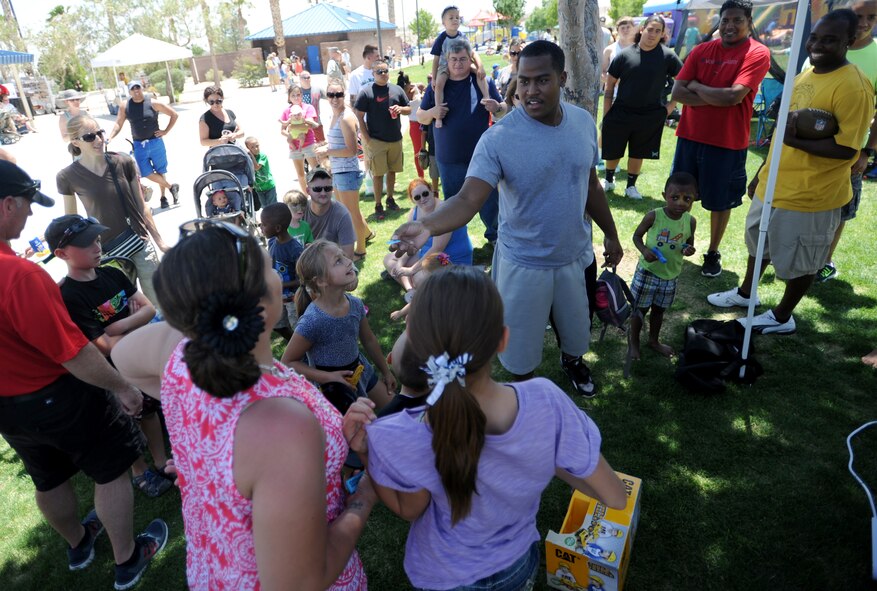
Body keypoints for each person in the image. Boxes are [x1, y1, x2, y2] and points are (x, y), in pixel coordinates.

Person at [110, 221, 375, 590]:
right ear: (260, 300)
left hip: (215, 572)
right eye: (269, 264)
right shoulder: (282, 425)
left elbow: (121, 356)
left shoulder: (178, 353)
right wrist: (363, 497)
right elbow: (298, 582)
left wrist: (205, 467)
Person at [346, 265, 627, 591]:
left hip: (444, 574)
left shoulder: (404, 431)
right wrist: (547, 457)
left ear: (417, 349)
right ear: (503, 339)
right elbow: (614, 497)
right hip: (516, 567)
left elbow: (409, 510)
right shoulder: (546, 402)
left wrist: (367, 452)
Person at [395, 41, 623, 394]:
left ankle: (573, 362)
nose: (531, 91)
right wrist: (427, 224)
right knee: (519, 351)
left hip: (574, 256)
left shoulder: (582, 122)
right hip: (523, 263)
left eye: (542, 80)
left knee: (577, 330)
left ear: (562, 78)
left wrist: (610, 233)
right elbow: (469, 197)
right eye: (524, 81)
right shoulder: (498, 139)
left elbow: (590, 184)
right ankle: (523, 392)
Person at [0, 161, 168, 590]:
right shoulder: (22, 276)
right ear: (6, 205)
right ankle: (129, 558)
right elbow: (72, 351)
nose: (29, 215)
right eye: (25, 205)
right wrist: (123, 389)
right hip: (57, 396)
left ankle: (79, 544)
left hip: (9, 410)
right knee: (111, 470)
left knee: (47, 477)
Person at [706, 9, 874, 334]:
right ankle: (746, 294)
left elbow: (847, 149)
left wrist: (795, 139)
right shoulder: (806, 74)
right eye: (815, 36)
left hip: (811, 194)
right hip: (775, 183)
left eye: (830, 39)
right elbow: (782, 131)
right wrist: (762, 172)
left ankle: (783, 316)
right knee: (759, 244)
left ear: (850, 42)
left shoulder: (854, 86)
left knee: (802, 262)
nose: (818, 44)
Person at [46, 214, 174, 498]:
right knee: (126, 421)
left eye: (97, 238)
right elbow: (103, 346)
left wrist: (118, 326)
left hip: (139, 357)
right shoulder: (68, 295)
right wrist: (132, 322)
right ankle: (140, 472)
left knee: (149, 409)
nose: (96, 245)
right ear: (61, 254)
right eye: (86, 243)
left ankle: (160, 460)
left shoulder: (113, 273)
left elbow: (149, 309)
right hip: (111, 372)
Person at [670, 0, 770, 278]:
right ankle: (676, 244)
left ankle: (712, 251)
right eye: (725, 20)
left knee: (720, 201)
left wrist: (698, 87)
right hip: (689, 137)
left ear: (749, 23)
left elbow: (733, 96)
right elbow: (677, 92)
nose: (730, 25)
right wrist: (718, 95)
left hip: (727, 142)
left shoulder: (758, 53)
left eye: (737, 20)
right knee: (680, 195)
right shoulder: (702, 50)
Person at [58, 115, 170, 306]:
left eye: (100, 133)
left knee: (161, 305)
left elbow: (142, 206)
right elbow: (72, 221)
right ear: (75, 142)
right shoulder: (66, 176)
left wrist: (160, 242)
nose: (99, 140)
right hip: (107, 255)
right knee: (116, 311)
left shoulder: (123, 161)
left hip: (140, 243)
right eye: (89, 137)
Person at [280, 239, 396, 411]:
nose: (349, 261)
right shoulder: (313, 320)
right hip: (332, 388)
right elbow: (288, 362)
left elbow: (369, 340)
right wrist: (328, 377)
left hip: (359, 371)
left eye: (343, 256)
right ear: (320, 281)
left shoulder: (355, 304)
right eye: (338, 261)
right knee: (356, 431)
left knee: (395, 408)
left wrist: (385, 371)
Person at [418, 37, 505, 245]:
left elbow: (504, 110)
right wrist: (432, 111)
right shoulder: (436, 86)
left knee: (490, 202)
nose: (458, 63)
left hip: (482, 157)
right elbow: (420, 116)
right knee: (453, 206)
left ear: (471, 60)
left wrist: (497, 108)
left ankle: (497, 239)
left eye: (463, 59)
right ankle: (456, 244)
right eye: (454, 59)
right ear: (447, 60)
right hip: (449, 159)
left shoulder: (483, 81)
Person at [814, 0, 877, 283]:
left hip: (849, 151)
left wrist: (867, 152)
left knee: (840, 210)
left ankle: (824, 261)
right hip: (810, 145)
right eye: (858, 15)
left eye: (871, 17)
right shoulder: (824, 45)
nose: (864, 22)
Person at [602, 16, 683, 200]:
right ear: (642, 29)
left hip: (649, 114)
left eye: (657, 31)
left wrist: (670, 107)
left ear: (663, 33)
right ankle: (608, 180)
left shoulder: (668, 56)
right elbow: (609, 85)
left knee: (639, 151)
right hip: (621, 111)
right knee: (614, 148)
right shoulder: (625, 54)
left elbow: (682, 81)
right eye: (650, 29)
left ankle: (631, 187)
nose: (652, 34)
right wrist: (607, 113)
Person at [628, 172, 698, 358]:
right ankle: (633, 342)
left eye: (687, 199)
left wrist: (688, 250)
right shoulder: (654, 216)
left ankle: (653, 340)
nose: (680, 203)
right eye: (674, 197)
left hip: (670, 275)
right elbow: (636, 236)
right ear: (664, 196)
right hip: (648, 272)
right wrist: (644, 251)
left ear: (694, 200)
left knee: (659, 310)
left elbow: (688, 244)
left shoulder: (690, 221)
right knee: (639, 310)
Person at [383, 177, 473, 300]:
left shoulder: (443, 210)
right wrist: (400, 264)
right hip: (427, 257)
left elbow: (437, 249)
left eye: (425, 193)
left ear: (432, 190)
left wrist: (411, 270)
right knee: (389, 259)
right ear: (413, 200)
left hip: (447, 260)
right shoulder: (414, 212)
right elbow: (411, 245)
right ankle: (411, 290)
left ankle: (416, 288)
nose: (423, 198)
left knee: (419, 278)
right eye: (417, 197)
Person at [317, 79, 372, 257]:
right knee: (348, 209)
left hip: (348, 171)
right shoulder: (336, 115)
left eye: (338, 94)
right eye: (331, 94)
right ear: (327, 96)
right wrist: (327, 146)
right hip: (339, 171)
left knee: (350, 213)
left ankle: (361, 250)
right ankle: (368, 233)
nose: (335, 98)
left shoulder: (346, 117)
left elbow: (351, 150)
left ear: (344, 95)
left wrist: (327, 151)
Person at [108, 81, 180, 209]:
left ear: (142, 88)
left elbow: (174, 114)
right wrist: (110, 137)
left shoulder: (152, 102)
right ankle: (171, 187)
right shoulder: (125, 106)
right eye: (133, 88)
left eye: (138, 87)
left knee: (160, 171)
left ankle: (163, 197)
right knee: (145, 172)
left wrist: (165, 131)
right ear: (129, 91)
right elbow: (118, 123)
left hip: (156, 142)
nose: (136, 90)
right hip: (139, 145)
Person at [354, 59, 411, 219]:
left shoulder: (397, 89)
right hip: (376, 140)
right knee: (378, 174)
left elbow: (408, 109)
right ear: (373, 74)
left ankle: (390, 199)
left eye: (386, 71)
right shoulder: (367, 91)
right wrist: (366, 138)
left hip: (395, 139)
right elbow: (359, 115)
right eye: (379, 72)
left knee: (393, 171)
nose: (383, 74)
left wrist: (401, 109)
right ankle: (378, 204)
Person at [431, 6, 489, 129]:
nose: (455, 20)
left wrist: (480, 66)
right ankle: (439, 112)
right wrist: (434, 77)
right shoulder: (442, 38)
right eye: (451, 18)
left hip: (464, 63)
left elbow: (472, 53)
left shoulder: (462, 36)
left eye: (457, 17)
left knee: (479, 74)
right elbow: (435, 59)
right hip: (445, 66)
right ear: (443, 22)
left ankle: (486, 96)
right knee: (439, 85)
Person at [259, 203, 305, 341]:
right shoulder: (273, 242)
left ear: (277, 228)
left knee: (300, 330)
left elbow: (303, 279)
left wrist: (280, 285)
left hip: (292, 299)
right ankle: (294, 346)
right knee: (277, 325)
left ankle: (304, 352)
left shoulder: (295, 250)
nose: (260, 227)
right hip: (277, 298)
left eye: (263, 224)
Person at [304, 168, 358, 260]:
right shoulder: (300, 211)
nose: (323, 193)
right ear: (308, 191)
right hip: (306, 261)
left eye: (327, 188)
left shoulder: (342, 214)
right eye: (317, 189)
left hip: (333, 262)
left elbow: (348, 256)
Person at [388, 252, 452, 321]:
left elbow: (414, 303)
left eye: (424, 271)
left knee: (409, 319)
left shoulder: (430, 292)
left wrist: (400, 313)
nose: (422, 272)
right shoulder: (447, 286)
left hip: (436, 319)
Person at [281, 84, 320, 194]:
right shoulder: (287, 111)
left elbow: (308, 125)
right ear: (289, 97)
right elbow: (282, 130)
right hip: (294, 147)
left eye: (298, 94)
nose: (296, 97)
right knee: (300, 174)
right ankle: (306, 196)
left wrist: (293, 127)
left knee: (316, 170)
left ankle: (319, 191)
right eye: (293, 95)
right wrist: (292, 135)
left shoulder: (308, 108)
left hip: (308, 143)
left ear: (302, 95)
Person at [244, 136, 277, 207]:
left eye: (257, 146)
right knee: (264, 206)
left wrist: (251, 155)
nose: (256, 149)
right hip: (259, 188)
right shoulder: (248, 159)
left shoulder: (262, 156)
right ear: (248, 149)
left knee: (273, 206)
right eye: (252, 147)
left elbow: (257, 167)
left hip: (269, 185)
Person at [299, 71, 326, 144]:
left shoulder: (317, 89)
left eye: (308, 77)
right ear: (300, 79)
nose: (307, 79)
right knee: (306, 148)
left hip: (316, 123)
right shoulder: (297, 91)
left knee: (321, 144)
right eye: (304, 78)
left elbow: (330, 97)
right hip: (302, 125)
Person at [497, 37, 523, 102]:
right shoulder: (503, 71)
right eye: (513, 53)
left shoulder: (529, 73)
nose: (516, 57)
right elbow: (498, 90)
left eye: (519, 53)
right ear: (509, 53)